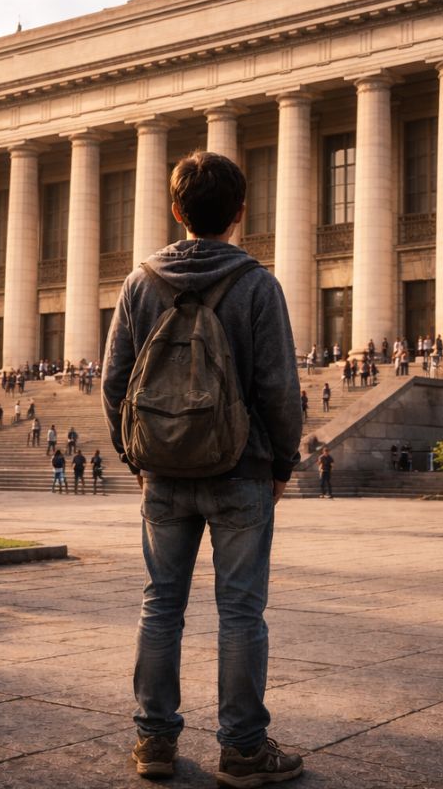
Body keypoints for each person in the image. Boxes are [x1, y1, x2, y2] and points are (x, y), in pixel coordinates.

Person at [101, 151, 304, 784]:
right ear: (241, 213)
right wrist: (283, 463)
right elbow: (278, 387)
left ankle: (154, 743)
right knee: (241, 611)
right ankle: (243, 749)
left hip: (163, 474)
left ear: (175, 210)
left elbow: (114, 384)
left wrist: (138, 456)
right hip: (243, 469)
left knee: (160, 605)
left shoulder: (140, 282)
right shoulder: (258, 284)